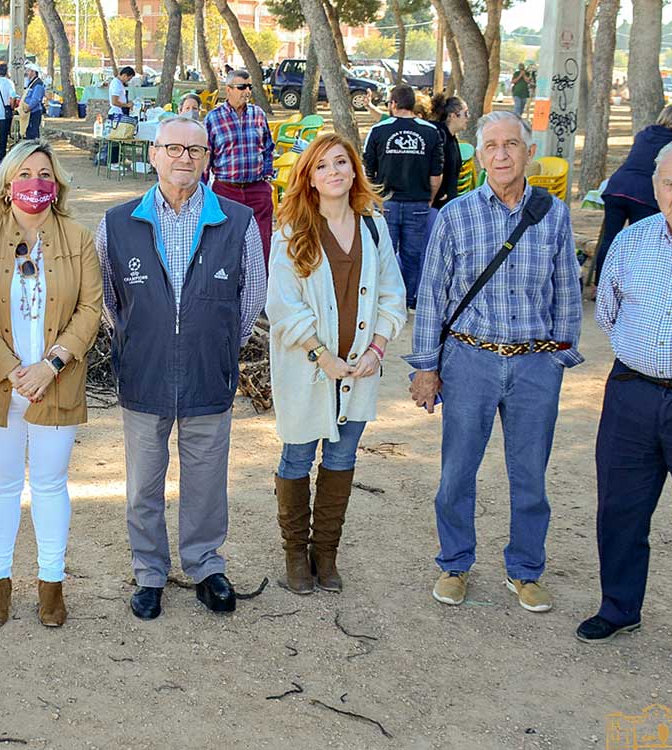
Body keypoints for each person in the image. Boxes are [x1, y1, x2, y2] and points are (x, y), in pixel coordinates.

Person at [407, 111, 583, 612]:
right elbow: (433, 297)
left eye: (512, 145)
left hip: (533, 365)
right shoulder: (456, 215)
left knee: (529, 475)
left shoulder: (554, 214)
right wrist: (425, 367)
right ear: (478, 156)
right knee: (457, 472)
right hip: (469, 362)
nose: (501, 155)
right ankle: (455, 563)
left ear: (529, 152)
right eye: (491, 146)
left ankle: (525, 570)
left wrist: (558, 357)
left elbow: (566, 289)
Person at [95, 117, 267, 620]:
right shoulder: (118, 222)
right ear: (153, 154)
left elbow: (250, 297)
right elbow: (110, 298)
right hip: (144, 374)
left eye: (195, 150)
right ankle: (149, 572)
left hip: (208, 374)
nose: (184, 158)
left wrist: (210, 344)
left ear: (208, 158)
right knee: (143, 484)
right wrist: (144, 336)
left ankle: (205, 565)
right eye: (173, 148)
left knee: (207, 481)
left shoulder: (235, 221)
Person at [582, 138, 672, 677]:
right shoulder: (632, 241)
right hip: (631, 394)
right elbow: (610, 312)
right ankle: (619, 608)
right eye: (670, 183)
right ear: (655, 187)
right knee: (620, 510)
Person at [0, 140, 103, 628]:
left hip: (55, 383)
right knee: (1, 484)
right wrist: (10, 368)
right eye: (24, 173)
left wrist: (51, 365)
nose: (35, 183)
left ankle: (50, 583)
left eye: (44, 174)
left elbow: (90, 309)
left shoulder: (79, 237)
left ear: (57, 183)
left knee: (49, 484)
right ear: (6, 184)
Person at [267, 133, 407, 594]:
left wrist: (377, 348)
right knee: (298, 456)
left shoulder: (373, 226)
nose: (334, 172)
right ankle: (294, 554)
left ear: (354, 171)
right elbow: (283, 305)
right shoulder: (291, 229)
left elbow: (392, 293)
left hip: (359, 369)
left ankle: (325, 554)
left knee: (342, 457)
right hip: (310, 369)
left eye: (342, 163)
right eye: (323, 165)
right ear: (309, 175)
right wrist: (320, 354)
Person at [363, 84, 444, 309]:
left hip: (386, 201)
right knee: (412, 256)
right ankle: (406, 302)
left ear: (393, 104)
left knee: (382, 254)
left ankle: (380, 302)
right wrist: (428, 199)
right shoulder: (430, 131)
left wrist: (373, 198)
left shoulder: (379, 130)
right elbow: (436, 175)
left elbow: (367, 169)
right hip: (418, 202)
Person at [591, 104, 672, 286]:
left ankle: (600, 285)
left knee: (610, 238)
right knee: (639, 241)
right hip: (643, 195)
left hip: (617, 187)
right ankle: (633, 285)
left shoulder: (643, 134)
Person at [205, 70, 277, 259]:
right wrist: (202, 191)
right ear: (228, 90)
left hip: (257, 190)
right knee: (225, 245)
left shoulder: (258, 114)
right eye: (241, 87)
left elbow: (268, 147)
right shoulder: (213, 119)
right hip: (226, 191)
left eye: (249, 87)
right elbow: (206, 157)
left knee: (262, 244)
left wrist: (267, 176)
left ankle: (263, 285)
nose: (247, 91)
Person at [427, 93, 470, 211]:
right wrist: (440, 193)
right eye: (465, 114)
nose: (468, 118)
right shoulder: (439, 135)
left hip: (448, 204)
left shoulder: (452, 138)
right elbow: (431, 166)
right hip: (436, 205)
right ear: (452, 116)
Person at [23, 67, 46, 139]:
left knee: (33, 133)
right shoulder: (31, 82)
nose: (27, 73)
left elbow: (36, 99)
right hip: (30, 111)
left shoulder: (38, 84)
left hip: (34, 112)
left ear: (33, 72)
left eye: (29, 71)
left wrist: (28, 108)